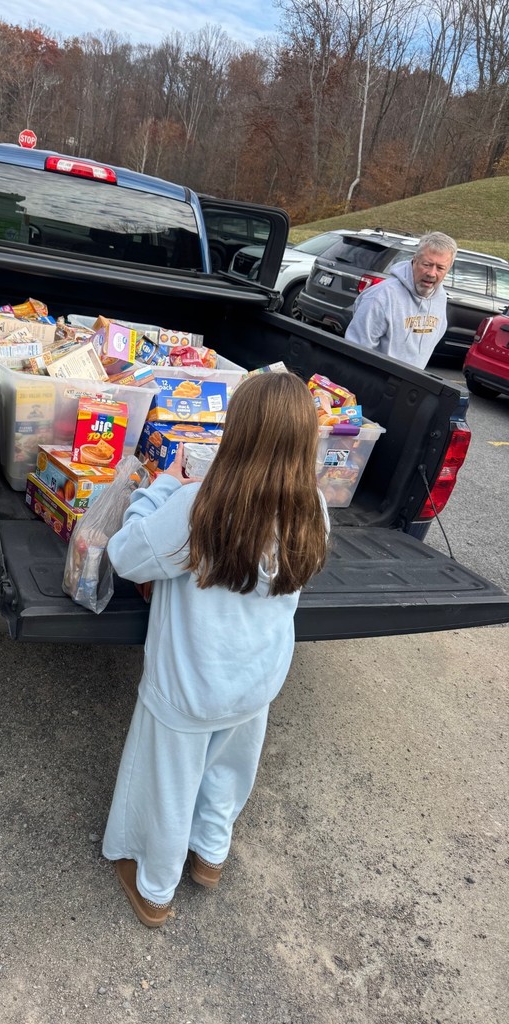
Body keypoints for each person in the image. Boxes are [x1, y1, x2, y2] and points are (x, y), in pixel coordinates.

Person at [102, 372, 330, 928]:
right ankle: (210, 857)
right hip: (257, 682)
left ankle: (155, 888)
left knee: (168, 784)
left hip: (190, 686)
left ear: (237, 432)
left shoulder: (200, 505)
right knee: (229, 772)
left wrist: (162, 486)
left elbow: (126, 555)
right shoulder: (314, 508)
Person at [345, 231, 458, 368]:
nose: (431, 273)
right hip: (375, 383)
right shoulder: (381, 296)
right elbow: (356, 350)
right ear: (415, 259)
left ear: (448, 269)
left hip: (409, 385)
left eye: (440, 268)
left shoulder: (440, 298)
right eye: (427, 264)